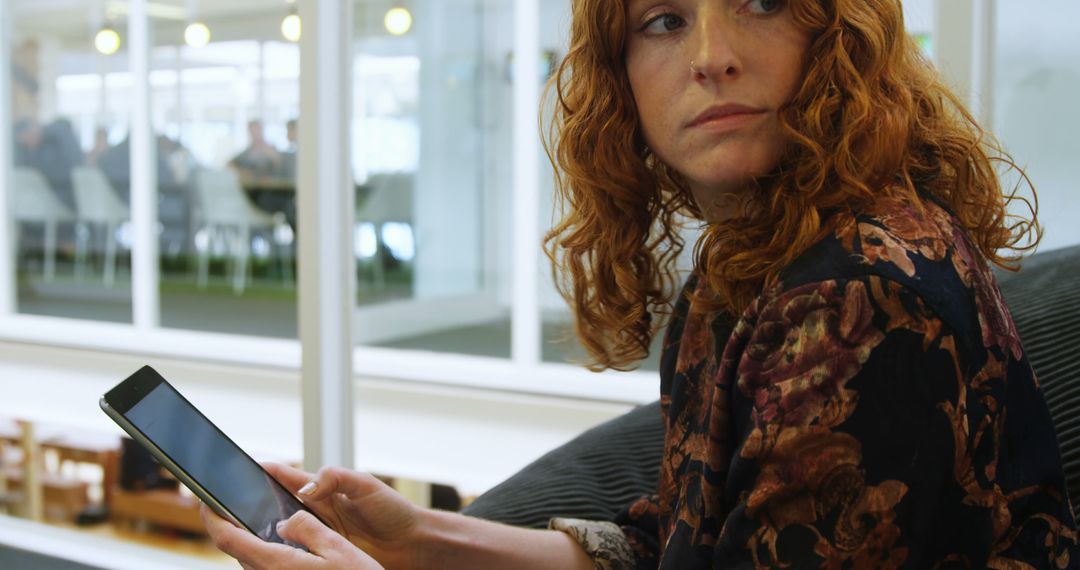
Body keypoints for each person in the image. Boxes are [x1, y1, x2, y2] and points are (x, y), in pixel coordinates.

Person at [203, 0, 1079, 567]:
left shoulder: (856, 295)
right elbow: (686, 542)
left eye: (762, 3)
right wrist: (417, 538)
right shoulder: (754, 257)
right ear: (620, 81)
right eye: (663, 19)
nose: (712, 56)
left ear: (838, 40)